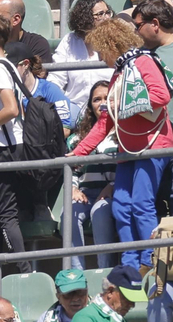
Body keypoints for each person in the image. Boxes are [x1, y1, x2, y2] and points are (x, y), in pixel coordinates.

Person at [70, 17, 170, 272]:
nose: (101, 57)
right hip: (128, 149)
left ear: (112, 45)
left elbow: (162, 96)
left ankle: (150, 261)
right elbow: (105, 122)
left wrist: (122, 107)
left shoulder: (144, 61)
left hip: (153, 146)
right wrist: (77, 153)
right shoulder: (119, 73)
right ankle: (129, 262)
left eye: (101, 51)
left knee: (141, 203)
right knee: (121, 205)